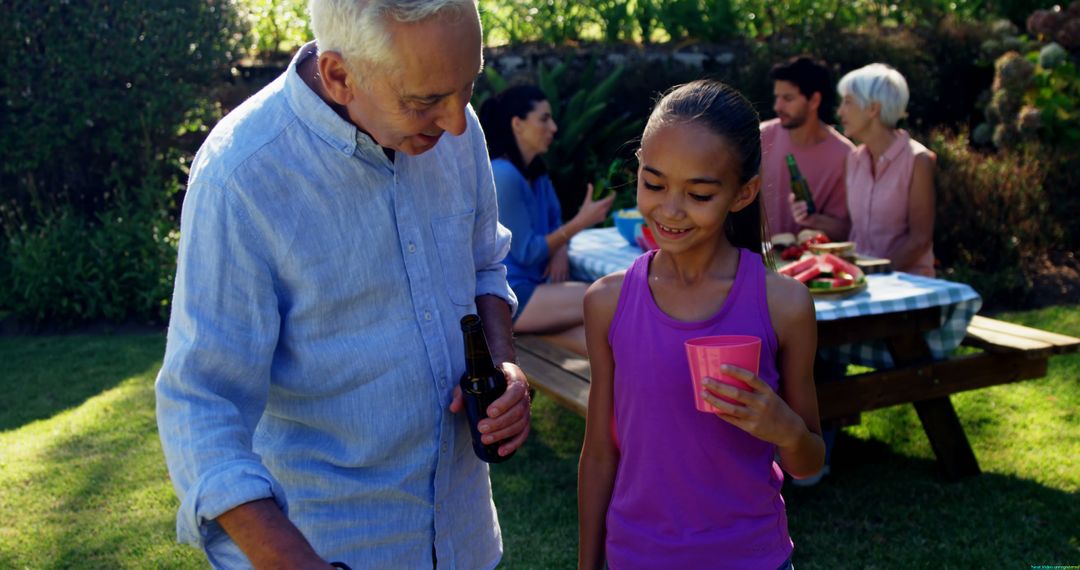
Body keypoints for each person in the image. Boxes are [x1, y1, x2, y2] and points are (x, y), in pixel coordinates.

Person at [154, 1, 531, 568]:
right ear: (338, 75)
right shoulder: (242, 175)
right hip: (329, 543)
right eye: (425, 100)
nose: (456, 121)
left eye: (469, 85)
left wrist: (504, 366)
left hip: (465, 537)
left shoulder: (459, 128)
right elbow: (201, 404)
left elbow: (483, 265)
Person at [578, 80, 825, 570]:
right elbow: (600, 452)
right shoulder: (606, 302)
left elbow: (809, 462)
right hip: (637, 557)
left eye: (699, 193)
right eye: (654, 184)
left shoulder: (785, 306)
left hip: (752, 558)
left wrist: (786, 430)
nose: (670, 209)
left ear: (743, 193)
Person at [478, 86, 614, 356]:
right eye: (543, 119)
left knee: (607, 343)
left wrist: (560, 249)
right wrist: (582, 221)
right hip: (513, 294)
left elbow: (554, 225)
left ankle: (540, 336)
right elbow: (528, 252)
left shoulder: (538, 174)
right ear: (517, 124)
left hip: (540, 288)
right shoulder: (503, 175)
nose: (553, 127)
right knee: (609, 298)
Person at [838, 63, 937, 277]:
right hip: (862, 286)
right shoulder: (853, 159)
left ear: (873, 108)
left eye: (847, 102)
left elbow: (920, 240)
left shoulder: (918, 160)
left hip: (907, 287)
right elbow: (850, 227)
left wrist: (875, 273)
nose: (840, 111)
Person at [761, 55, 855, 241]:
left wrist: (813, 219)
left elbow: (848, 231)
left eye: (788, 98)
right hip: (756, 262)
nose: (777, 106)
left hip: (813, 263)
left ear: (814, 101)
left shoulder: (845, 156)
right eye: (777, 97)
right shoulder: (760, 137)